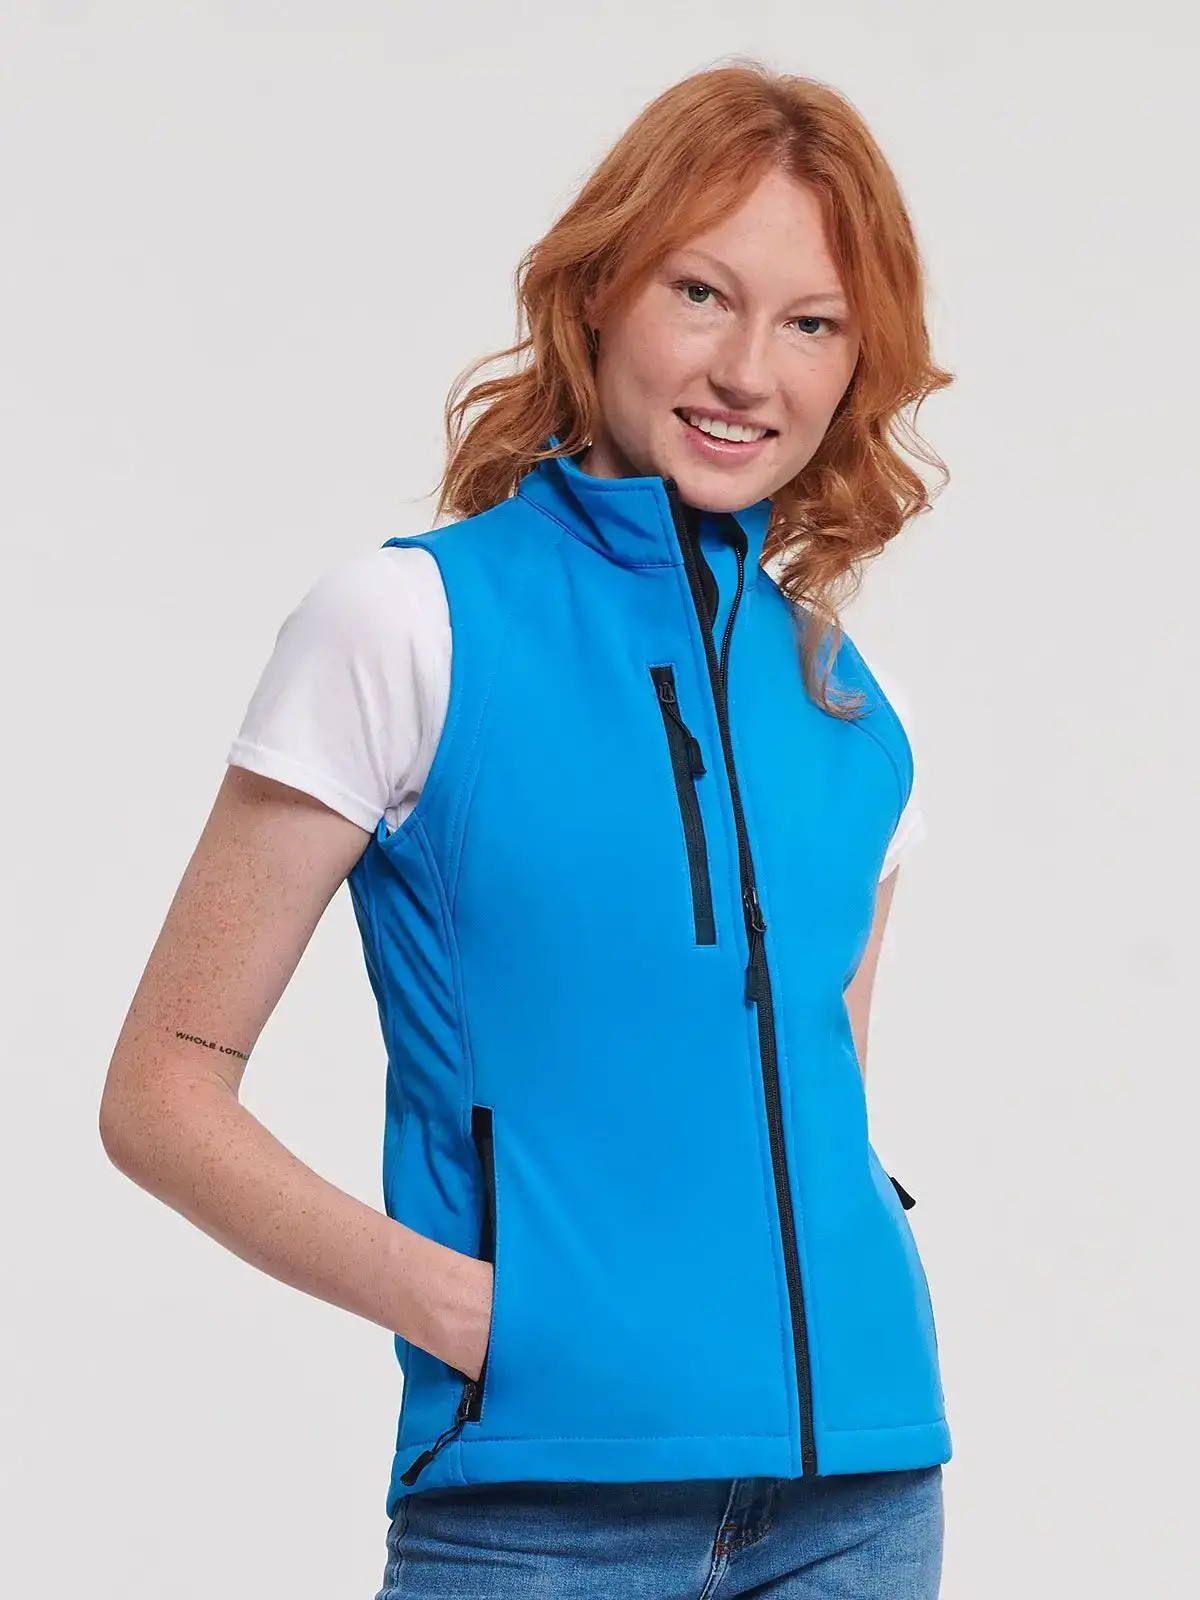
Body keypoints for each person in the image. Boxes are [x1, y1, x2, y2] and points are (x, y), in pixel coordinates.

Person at [99, 59, 955, 1599]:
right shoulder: (409, 626)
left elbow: (823, 1105)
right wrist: (472, 1312)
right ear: (600, 289)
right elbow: (160, 1091)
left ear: (855, 367)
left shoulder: (851, 710)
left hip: (865, 1500)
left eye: (812, 324)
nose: (747, 370)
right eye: (702, 293)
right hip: (544, 1513)